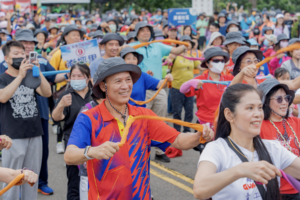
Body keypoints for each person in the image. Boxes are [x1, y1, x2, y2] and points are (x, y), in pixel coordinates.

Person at [64, 57, 214, 200]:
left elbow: (179, 141)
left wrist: (198, 136)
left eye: (128, 80)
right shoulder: (89, 118)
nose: (125, 86)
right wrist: (92, 151)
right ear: (103, 86)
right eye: (118, 81)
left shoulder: (144, 116)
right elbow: (69, 156)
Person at [193, 83, 300, 200]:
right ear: (229, 115)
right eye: (250, 108)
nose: (258, 114)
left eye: (259, 107)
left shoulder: (273, 148)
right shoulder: (217, 149)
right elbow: (199, 190)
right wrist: (240, 170)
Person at [0, 40, 51, 200]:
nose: (21, 56)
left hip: (35, 132)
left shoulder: (31, 76)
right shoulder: (2, 77)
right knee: (12, 179)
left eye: (22, 54)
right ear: (6, 59)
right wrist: (20, 76)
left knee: (31, 178)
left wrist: (38, 72)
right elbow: (3, 97)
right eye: (16, 54)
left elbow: (47, 92)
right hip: (12, 136)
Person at [52, 63, 92, 200]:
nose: (76, 79)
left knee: (96, 183)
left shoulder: (97, 94)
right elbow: (56, 117)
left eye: (80, 76)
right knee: (75, 185)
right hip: (73, 146)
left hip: (95, 144)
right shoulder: (66, 95)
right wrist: (61, 105)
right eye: (73, 76)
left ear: (88, 78)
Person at [258, 79, 300, 199]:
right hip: (273, 191)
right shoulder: (258, 126)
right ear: (266, 102)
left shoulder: (296, 122)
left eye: (286, 98)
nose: (284, 103)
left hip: (297, 187)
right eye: (279, 99)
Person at [180, 47, 233, 132]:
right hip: (204, 124)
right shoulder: (200, 80)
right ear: (207, 63)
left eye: (222, 61)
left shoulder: (229, 79)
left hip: (224, 123)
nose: (220, 63)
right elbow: (182, 90)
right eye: (216, 61)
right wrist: (190, 83)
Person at [169, 35, 200, 133]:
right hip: (176, 88)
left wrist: (211, 62)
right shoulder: (174, 56)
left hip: (189, 89)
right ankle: (176, 132)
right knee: (177, 111)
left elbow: (200, 66)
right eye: (184, 42)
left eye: (189, 42)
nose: (187, 44)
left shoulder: (192, 57)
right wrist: (168, 60)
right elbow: (167, 63)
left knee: (189, 111)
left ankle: (187, 130)